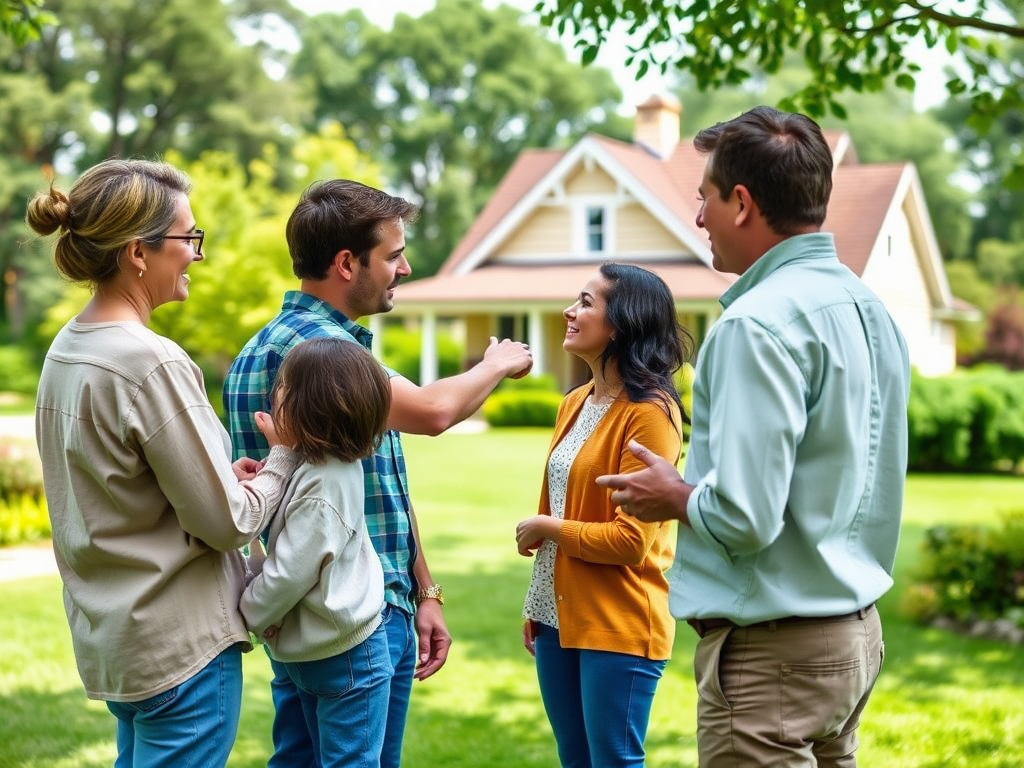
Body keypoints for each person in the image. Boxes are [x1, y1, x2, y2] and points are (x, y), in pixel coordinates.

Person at [596, 106, 912, 767]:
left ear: (741, 203)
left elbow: (744, 517)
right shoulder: (871, 310)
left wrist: (673, 495)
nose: (698, 218)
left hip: (773, 657)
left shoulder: (755, 326)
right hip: (854, 639)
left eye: (705, 198)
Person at [223, 178, 532, 768]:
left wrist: (425, 589)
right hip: (354, 615)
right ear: (347, 263)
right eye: (393, 256)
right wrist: (497, 363)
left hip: (303, 619)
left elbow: (380, 484)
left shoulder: (258, 348)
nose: (406, 269)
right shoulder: (323, 353)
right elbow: (435, 412)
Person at [27, 159, 301, 767]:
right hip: (181, 648)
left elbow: (117, 484)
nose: (197, 254)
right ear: (137, 252)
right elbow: (228, 524)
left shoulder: (66, 351)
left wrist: (220, 477)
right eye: (188, 237)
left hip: (118, 644)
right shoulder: (151, 361)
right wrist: (282, 456)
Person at [515, 263, 691, 768]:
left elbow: (630, 541)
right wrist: (539, 601)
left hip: (619, 619)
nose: (570, 311)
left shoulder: (650, 413)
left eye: (586, 303)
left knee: (613, 759)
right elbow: (562, 497)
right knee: (575, 758)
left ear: (621, 324)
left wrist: (546, 528)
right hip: (557, 616)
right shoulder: (574, 402)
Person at [240, 337, 394, 768]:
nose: (275, 394)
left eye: (284, 387)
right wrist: (279, 456)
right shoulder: (318, 466)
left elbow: (289, 572)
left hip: (345, 657)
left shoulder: (324, 483)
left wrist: (248, 615)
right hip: (324, 651)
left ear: (312, 405)